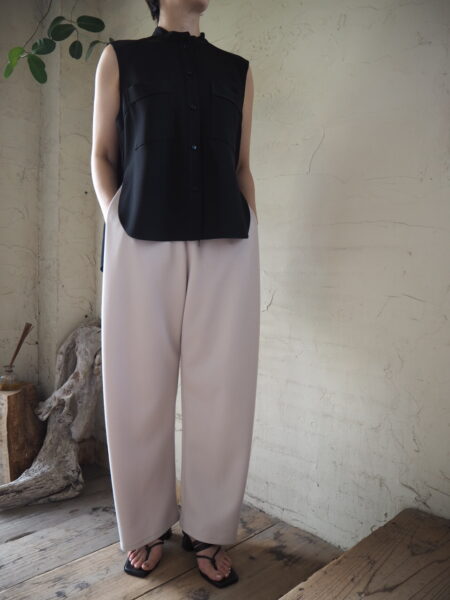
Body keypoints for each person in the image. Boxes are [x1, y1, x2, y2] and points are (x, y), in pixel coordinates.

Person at [91, 0, 260, 589]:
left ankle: (210, 529)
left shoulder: (237, 70)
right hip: (139, 237)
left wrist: (252, 231)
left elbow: (242, 163)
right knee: (137, 387)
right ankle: (144, 524)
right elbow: (102, 154)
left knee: (224, 390)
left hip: (226, 241)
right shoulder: (120, 59)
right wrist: (115, 221)